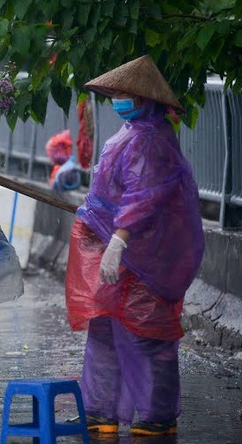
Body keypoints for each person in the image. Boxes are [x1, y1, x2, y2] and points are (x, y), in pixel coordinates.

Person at [65, 55, 205, 436]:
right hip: (122, 255)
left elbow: (144, 197)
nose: (117, 98)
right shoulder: (133, 132)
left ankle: (156, 416)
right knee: (106, 330)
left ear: (144, 99)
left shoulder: (150, 139)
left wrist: (118, 241)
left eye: (124, 92)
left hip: (143, 257)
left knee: (147, 333)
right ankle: (100, 411)